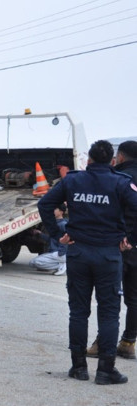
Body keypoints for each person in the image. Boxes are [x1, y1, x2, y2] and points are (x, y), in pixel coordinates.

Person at [38, 140, 137, 385]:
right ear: (112, 161)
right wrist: (130, 240)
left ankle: (79, 367)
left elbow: (45, 203)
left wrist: (55, 234)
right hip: (108, 255)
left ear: (89, 160)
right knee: (109, 312)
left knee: (79, 311)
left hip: (79, 253)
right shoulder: (121, 182)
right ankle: (105, 370)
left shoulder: (73, 180)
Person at [88, 140, 137, 360]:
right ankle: (128, 342)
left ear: (121, 157)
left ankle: (102, 343)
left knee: (109, 297)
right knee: (134, 298)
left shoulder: (118, 179)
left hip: (117, 244)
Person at [29, 205, 68, 274]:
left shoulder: (63, 224)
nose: (53, 211)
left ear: (61, 212)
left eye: (55, 209)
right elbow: (51, 240)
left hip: (60, 253)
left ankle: (63, 265)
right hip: (55, 252)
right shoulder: (55, 223)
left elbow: (68, 239)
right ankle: (62, 264)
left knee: (35, 262)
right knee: (32, 263)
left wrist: (61, 252)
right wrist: (40, 233)